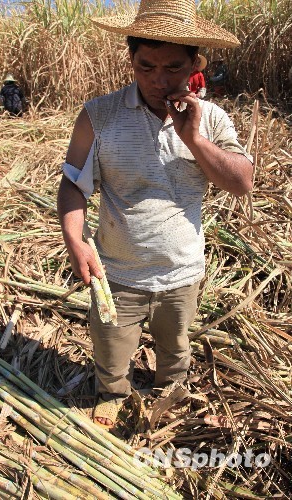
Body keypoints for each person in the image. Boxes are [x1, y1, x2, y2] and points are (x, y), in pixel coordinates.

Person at [57, 0, 253, 428]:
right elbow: (73, 183)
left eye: (172, 69)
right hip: (116, 273)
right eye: (145, 67)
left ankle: (170, 391)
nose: (158, 81)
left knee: (175, 346)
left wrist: (195, 140)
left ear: (194, 64)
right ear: (131, 58)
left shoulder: (212, 119)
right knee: (110, 347)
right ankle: (113, 392)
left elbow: (242, 182)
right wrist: (75, 240)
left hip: (182, 272)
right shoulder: (99, 116)